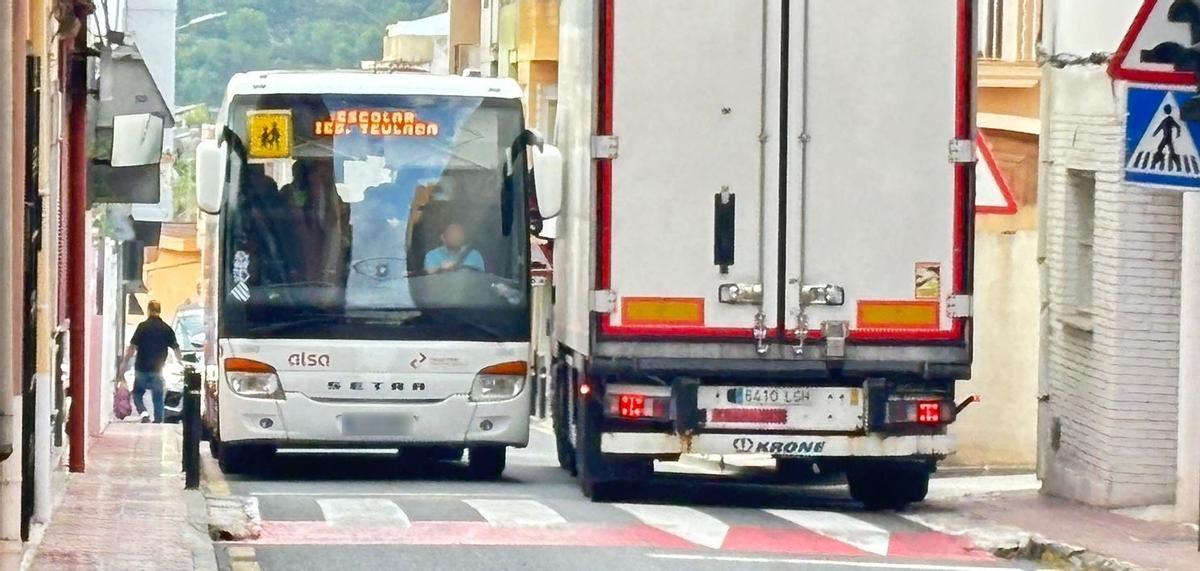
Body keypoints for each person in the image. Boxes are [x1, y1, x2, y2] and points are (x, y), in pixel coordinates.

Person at [119, 301, 183, 423]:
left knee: (137, 394)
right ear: (159, 311)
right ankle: (158, 420)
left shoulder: (142, 327)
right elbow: (176, 348)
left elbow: (132, 348)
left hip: (141, 368)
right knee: (158, 397)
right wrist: (181, 363)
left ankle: (144, 414)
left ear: (148, 310)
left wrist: (124, 364)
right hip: (158, 370)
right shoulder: (166, 328)